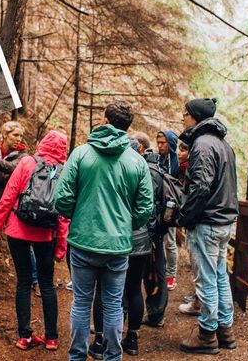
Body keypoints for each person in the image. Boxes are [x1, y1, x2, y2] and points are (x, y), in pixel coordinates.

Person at [55, 101, 154, 361]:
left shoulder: (81, 154)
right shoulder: (137, 161)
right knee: (112, 304)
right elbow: (145, 208)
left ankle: (77, 356)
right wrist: (124, 225)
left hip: (83, 242)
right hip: (118, 246)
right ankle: (113, 357)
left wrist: (78, 217)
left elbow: (62, 198)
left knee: (81, 303)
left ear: (105, 120)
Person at [0, 130, 69, 351]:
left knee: (23, 281)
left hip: (17, 230)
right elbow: (63, 215)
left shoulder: (27, 163)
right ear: (63, 149)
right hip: (46, 235)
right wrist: (61, 247)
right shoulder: (65, 172)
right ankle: (51, 338)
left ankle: (25, 337)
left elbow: (7, 198)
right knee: (47, 285)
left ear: (43, 144)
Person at [177, 98, 239, 355]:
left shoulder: (202, 145)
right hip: (224, 222)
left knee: (207, 279)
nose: (183, 118)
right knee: (220, 276)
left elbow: (200, 187)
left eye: (185, 114)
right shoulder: (224, 145)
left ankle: (207, 334)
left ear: (195, 117)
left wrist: (185, 216)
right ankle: (226, 330)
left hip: (208, 222)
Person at [88, 137, 155, 358]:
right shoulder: (142, 169)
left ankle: (99, 340)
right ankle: (132, 339)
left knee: (103, 290)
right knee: (134, 289)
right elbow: (148, 207)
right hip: (139, 240)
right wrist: (137, 227)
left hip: (114, 239)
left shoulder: (114, 169)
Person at [131, 132, 168, 329]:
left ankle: (156, 314)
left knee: (153, 272)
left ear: (141, 148)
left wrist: (152, 235)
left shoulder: (149, 170)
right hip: (151, 230)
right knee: (148, 273)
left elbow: (150, 205)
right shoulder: (150, 167)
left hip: (150, 232)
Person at [156, 129, 180, 291]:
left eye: (163, 143)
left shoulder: (176, 162)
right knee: (158, 240)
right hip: (158, 205)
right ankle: (160, 273)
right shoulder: (157, 159)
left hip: (171, 206)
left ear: (170, 143)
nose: (159, 146)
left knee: (170, 242)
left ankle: (171, 275)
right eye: (158, 142)